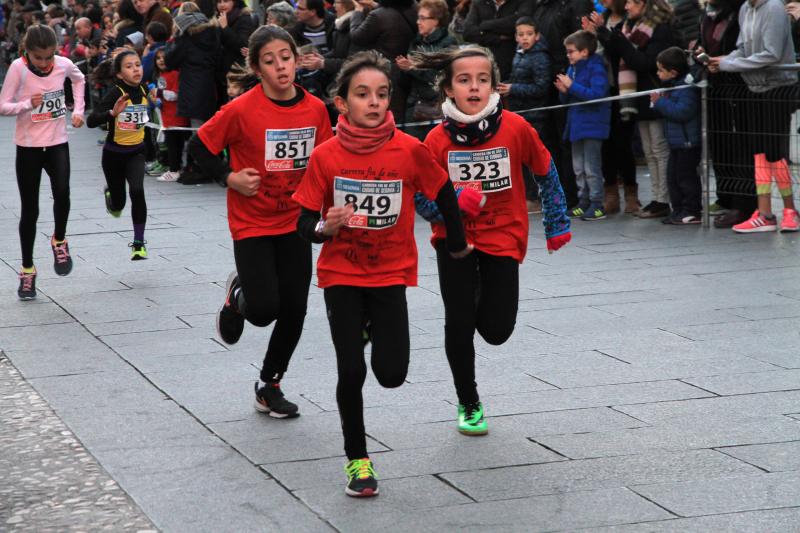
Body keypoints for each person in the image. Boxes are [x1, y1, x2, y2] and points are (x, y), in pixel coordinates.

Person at [292, 50, 471, 497]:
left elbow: (445, 192)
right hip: (342, 273)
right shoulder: (325, 156)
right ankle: (358, 460)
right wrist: (323, 227)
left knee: (391, 374)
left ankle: (372, 328)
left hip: (391, 272)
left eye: (382, 94)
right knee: (350, 371)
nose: (374, 102)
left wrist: (455, 242)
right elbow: (301, 225)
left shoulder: (409, 151)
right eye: (362, 94)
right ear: (342, 103)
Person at [413, 46, 571, 435]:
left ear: (494, 85)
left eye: (482, 80)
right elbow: (419, 197)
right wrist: (450, 209)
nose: (474, 87)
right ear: (448, 88)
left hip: (503, 235)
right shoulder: (435, 141)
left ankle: (483, 289)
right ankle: (468, 402)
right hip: (455, 240)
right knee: (459, 321)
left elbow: (546, 170)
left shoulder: (516, 128)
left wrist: (556, 221)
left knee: (497, 331)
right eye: (464, 80)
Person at [187, 26, 333, 419]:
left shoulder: (316, 109)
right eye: (269, 61)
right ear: (256, 67)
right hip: (252, 221)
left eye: (285, 57)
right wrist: (228, 176)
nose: (280, 67)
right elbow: (197, 146)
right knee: (265, 308)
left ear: (296, 58)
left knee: (296, 310)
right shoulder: (241, 109)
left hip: (295, 221)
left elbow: (324, 162)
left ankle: (269, 386)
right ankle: (238, 296)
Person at [0, 24, 85, 300]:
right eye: (39, 58)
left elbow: (79, 78)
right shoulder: (18, 68)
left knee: (63, 193)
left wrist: (79, 110)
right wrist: (26, 103)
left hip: (58, 142)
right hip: (28, 148)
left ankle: (59, 240)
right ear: (28, 52)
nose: (46, 62)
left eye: (50, 56)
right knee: (30, 210)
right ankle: (27, 270)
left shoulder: (63, 64)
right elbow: (3, 105)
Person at [709, 0, 800, 233]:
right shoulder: (745, 9)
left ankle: (790, 210)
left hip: (777, 89)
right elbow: (743, 48)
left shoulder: (774, 8)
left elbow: (771, 54)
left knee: (775, 155)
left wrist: (730, 64)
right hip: (754, 89)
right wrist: (725, 59)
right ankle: (765, 212)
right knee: (759, 154)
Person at [592, 0, 676, 219]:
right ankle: (657, 198)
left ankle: (664, 199)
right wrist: (602, 32)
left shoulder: (660, 28)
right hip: (636, 96)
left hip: (656, 94)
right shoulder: (628, 28)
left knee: (659, 149)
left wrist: (620, 41)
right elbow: (616, 55)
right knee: (649, 150)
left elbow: (643, 62)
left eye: (632, 2)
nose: (627, 7)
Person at [87, 49, 151, 260]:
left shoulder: (144, 88)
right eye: (129, 66)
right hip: (113, 155)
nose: (136, 69)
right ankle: (111, 198)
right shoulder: (115, 93)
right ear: (120, 74)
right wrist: (111, 114)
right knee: (119, 203)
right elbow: (91, 120)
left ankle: (139, 243)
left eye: (138, 64)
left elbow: (144, 119)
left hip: (136, 152)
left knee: (137, 190)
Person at [584, 0, 640, 215]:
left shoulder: (628, 20)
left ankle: (631, 195)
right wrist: (590, 34)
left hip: (624, 89)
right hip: (603, 86)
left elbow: (621, 50)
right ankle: (611, 194)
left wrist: (601, 31)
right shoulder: (603, 18)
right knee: (606, 145)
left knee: (623, 144)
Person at [497, 16, 553, 213]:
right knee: (520, 158)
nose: (525, 38)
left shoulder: (540, 57)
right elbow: (517, 79)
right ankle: (527, 195)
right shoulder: (519, 54)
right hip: (521, 114)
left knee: (532, 159)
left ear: (537, 36)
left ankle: (535, 197)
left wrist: (513, 88)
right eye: (521, 34)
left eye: (529, 34)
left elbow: (541, 87)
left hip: (536, 116)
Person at [556, 29, 610, 221]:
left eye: (571, 51)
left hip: (593, 124)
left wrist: (571, 86)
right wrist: (564, 91)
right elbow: (569, 99)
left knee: (591, 167)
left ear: (584, 51)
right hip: (576, 124)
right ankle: (583, 200)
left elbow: (596, 95)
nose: (568, 55)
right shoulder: (572, 68)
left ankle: (597, 203)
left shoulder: (596, 68)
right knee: (578, 167)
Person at [651, 46, 701, 224]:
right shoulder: (673, 87)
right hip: (676, 143)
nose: (658, 73)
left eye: (660, 70)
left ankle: (692, 210)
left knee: (685, 177)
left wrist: (660, 102)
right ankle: (678, 209)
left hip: (687, 143)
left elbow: (682, 112)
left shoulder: (686, 88)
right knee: (672, 177)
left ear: (672, 72)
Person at [395, 0, 457, 133]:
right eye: (418, 17)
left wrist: (413, 68)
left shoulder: (449, 43)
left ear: (436, 20)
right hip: (413, 107)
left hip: (435, 109)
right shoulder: (416, 42)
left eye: (423, 18)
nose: (418, 22)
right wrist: (403, 68)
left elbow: (440, 78)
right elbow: (405, 80)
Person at [349, 0, 418, 117]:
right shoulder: (415, 8)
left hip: (387, 73)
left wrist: (358, 12)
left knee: (388, 114)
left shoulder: (378, 15)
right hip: (410, 70)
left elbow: (356, 36)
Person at [164, 2, 221, 128]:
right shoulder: (213, 32)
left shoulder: (185, 37)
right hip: (211, 88)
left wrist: (174, 39)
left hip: (191, 89)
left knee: (197, 131)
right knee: (208, 128)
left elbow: (169, 61)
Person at [150, 48, 190, 182]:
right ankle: (174, 168)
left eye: (164, 57)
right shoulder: (161, 75)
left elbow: (175, 95)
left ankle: (174, 170)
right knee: (171, 143)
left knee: (175, 144)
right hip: (166, 115)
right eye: (158, 58)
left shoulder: (175, 74)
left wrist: (159, 93)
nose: (161, 60)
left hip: (176, 116)